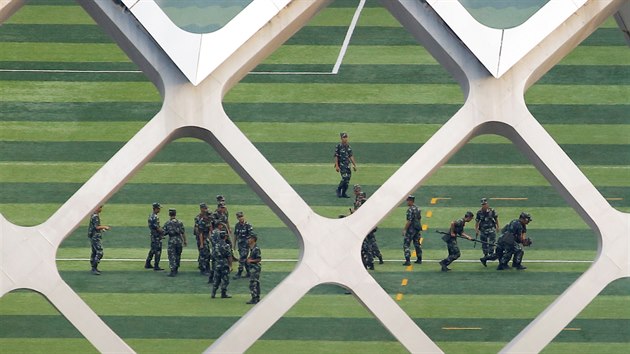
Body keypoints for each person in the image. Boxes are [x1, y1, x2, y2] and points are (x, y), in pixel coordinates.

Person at [475, 198, 500, 267]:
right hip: (483, 230)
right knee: (484, 244)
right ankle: (485, 255)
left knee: (492, 243)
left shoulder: (492, 211)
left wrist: (498, 226)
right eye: (483, 204)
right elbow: (477, 222)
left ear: (487, 204)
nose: (484, 206)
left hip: (491, 229)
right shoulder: (479, 213)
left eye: (485, 204)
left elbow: (496, 219)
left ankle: (491, 255)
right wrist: (476, 229)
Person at [163, 208, 187, 277]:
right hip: (179, 240)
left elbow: (164, 232)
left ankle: (173, 270)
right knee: (178, 255)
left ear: (169, 214)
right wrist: (185, 241)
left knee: (171, 255)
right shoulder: (179, 222)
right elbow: (183, 232)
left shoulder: (168, 223)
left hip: (172, 240)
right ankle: (176, 268)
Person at [87, 205, 110, 275]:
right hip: (95, 237)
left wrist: (101, 229)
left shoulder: (94, 215)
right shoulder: (95, 216)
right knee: (99, 252)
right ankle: (94, 268)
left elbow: (95, 227)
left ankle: (94, 268)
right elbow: (97, 227)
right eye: (100, 207)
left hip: (93, 236)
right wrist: (105, 227)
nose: (101, 209)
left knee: (94, 252)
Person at [334, 132, 357, 198]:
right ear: (341, 138)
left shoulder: (348, 146)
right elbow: (336, 156)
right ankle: (338, 189)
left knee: (347, 181)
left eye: (346, 137)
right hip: (342, 165)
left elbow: (351, 156)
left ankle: (343, 193)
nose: (345, 139)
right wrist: (337, 166)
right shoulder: (338, 146)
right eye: (344, 137)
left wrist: (354, 165)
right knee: (344, 178)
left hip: (347, 165)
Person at [211, 229, 233, 299]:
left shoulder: (216, 245)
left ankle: (213, 293)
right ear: (225, 237)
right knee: (225, 279)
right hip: (224, 264)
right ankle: (223, 294)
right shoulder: (226, 246)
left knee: (216, 279)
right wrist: (230, 266)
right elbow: (229, 256)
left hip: (217, 263)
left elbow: (213, 255)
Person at [402, 195, 422, 266]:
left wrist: (405, 229)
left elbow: (409, 221)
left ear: (411, 201)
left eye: (408, 200)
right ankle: (419, 259)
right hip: (417, 228)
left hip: (411, 229)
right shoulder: (418, 208)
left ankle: (408, 260)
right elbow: (419, 218)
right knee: (417, 244)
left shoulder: (410, 210)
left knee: (406, 244)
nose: (407, 202)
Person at [233, 211, 254, 279]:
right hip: (240, 244)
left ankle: (239, 272)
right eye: (239, 217)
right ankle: (249, 272)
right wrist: (234, 244)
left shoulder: (248, 225)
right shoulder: (237, 225)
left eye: (241, 216)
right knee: (244, 259)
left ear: (243, 216)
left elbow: (251, 236)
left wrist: (251, 246)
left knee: (242, 258)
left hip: (246, 245)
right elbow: (235, 235)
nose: (240, 218)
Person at [145, 202, 165, 271]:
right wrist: (163, 232)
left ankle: (147, 263)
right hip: (156, 236)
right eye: (159, 208)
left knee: (153, 249)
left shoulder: (151, 215)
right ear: (155, 208)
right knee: (158, 250)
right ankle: (156, 265)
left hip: (153, 235)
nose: (159, 210)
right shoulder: (154, 217)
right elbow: (157, 228)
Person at [194, 203, 212, 275]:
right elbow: (200, 233)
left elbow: (210, 230)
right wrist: (201, 243)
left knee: (207, 254)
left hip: (205, 239)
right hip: (202, 239)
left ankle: (207, 268)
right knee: (203, 254)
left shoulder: (208, 221)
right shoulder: (201, 221)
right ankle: (203, 269)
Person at [246, 234, 262, 304]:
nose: (248, 240)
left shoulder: (256, 249)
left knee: (253, 284)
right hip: (253, 268)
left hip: (255, 268)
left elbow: (259, 259)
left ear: (253, 239)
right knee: (256, 283)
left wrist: (251, 261)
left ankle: (254, 298)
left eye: (249, 239)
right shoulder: (252, 248)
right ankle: (257, 297)